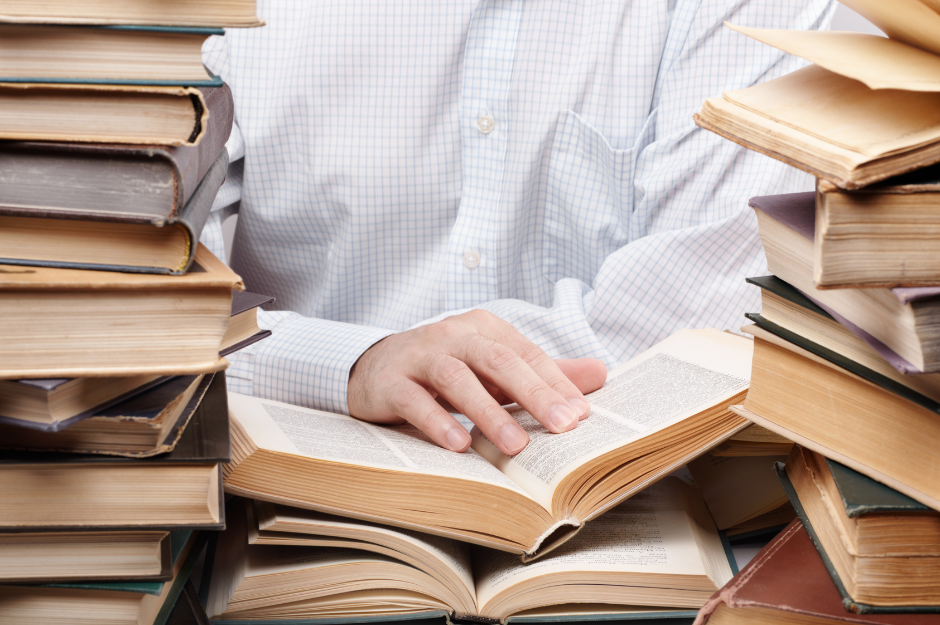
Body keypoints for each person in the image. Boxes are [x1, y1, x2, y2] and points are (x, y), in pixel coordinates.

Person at [200, 0, 835, 455]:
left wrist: (340, 356)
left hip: (626, 506)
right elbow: (136, 304)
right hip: (298, 497)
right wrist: (351, 366)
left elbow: (700, 318)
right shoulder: (243, 15)